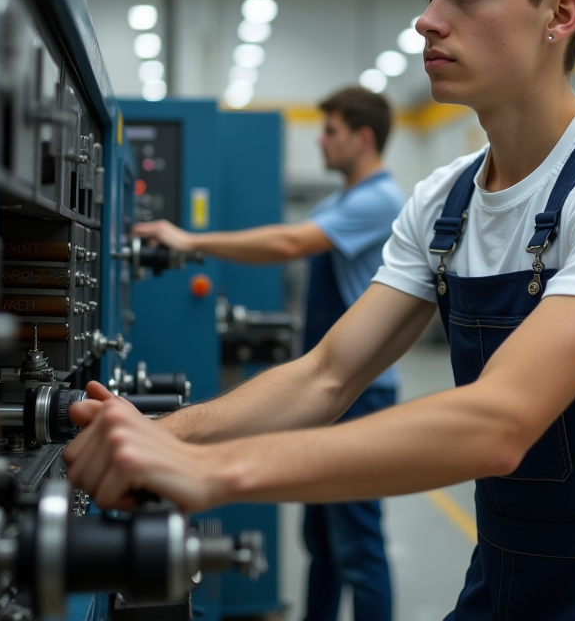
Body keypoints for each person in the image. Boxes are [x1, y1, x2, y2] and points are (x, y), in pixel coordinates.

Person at [66, 0, 575, 620]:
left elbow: (499, 423)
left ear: (560, 14)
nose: (427, 18)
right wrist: (160, 435)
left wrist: (216, 473)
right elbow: (325, 377)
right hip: (505, 568)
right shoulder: (443, 202)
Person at [131, 86, 406, 621]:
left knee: (358, 542)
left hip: (362, 391)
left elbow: (287, 244)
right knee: (322, 539)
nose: (321, 140)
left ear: (363, 138)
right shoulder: (340, 201)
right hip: (335, 389)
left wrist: (193, 241)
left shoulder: (381, 200)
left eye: (331, 130)